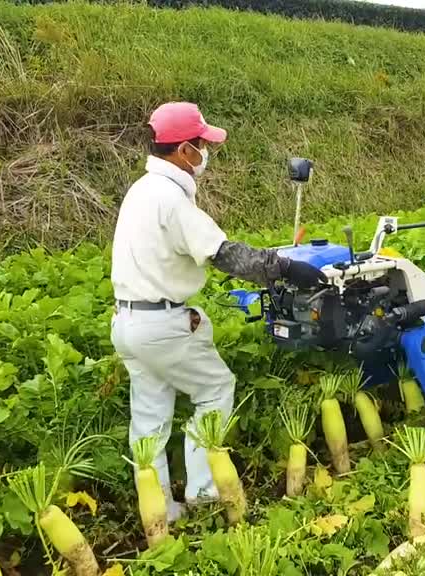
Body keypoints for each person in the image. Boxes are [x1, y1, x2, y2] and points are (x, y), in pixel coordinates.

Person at [109, 101, 326, 522]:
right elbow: (225, 255)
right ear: (185, 149)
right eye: (203, 145)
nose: (207, 153)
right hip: (160, 325)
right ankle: (205, 494)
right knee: (215, 389)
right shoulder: (171, 199)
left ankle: (161, 514)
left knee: (150, 419)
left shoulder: (141, 190)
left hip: (130, 321)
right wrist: (284, 268)